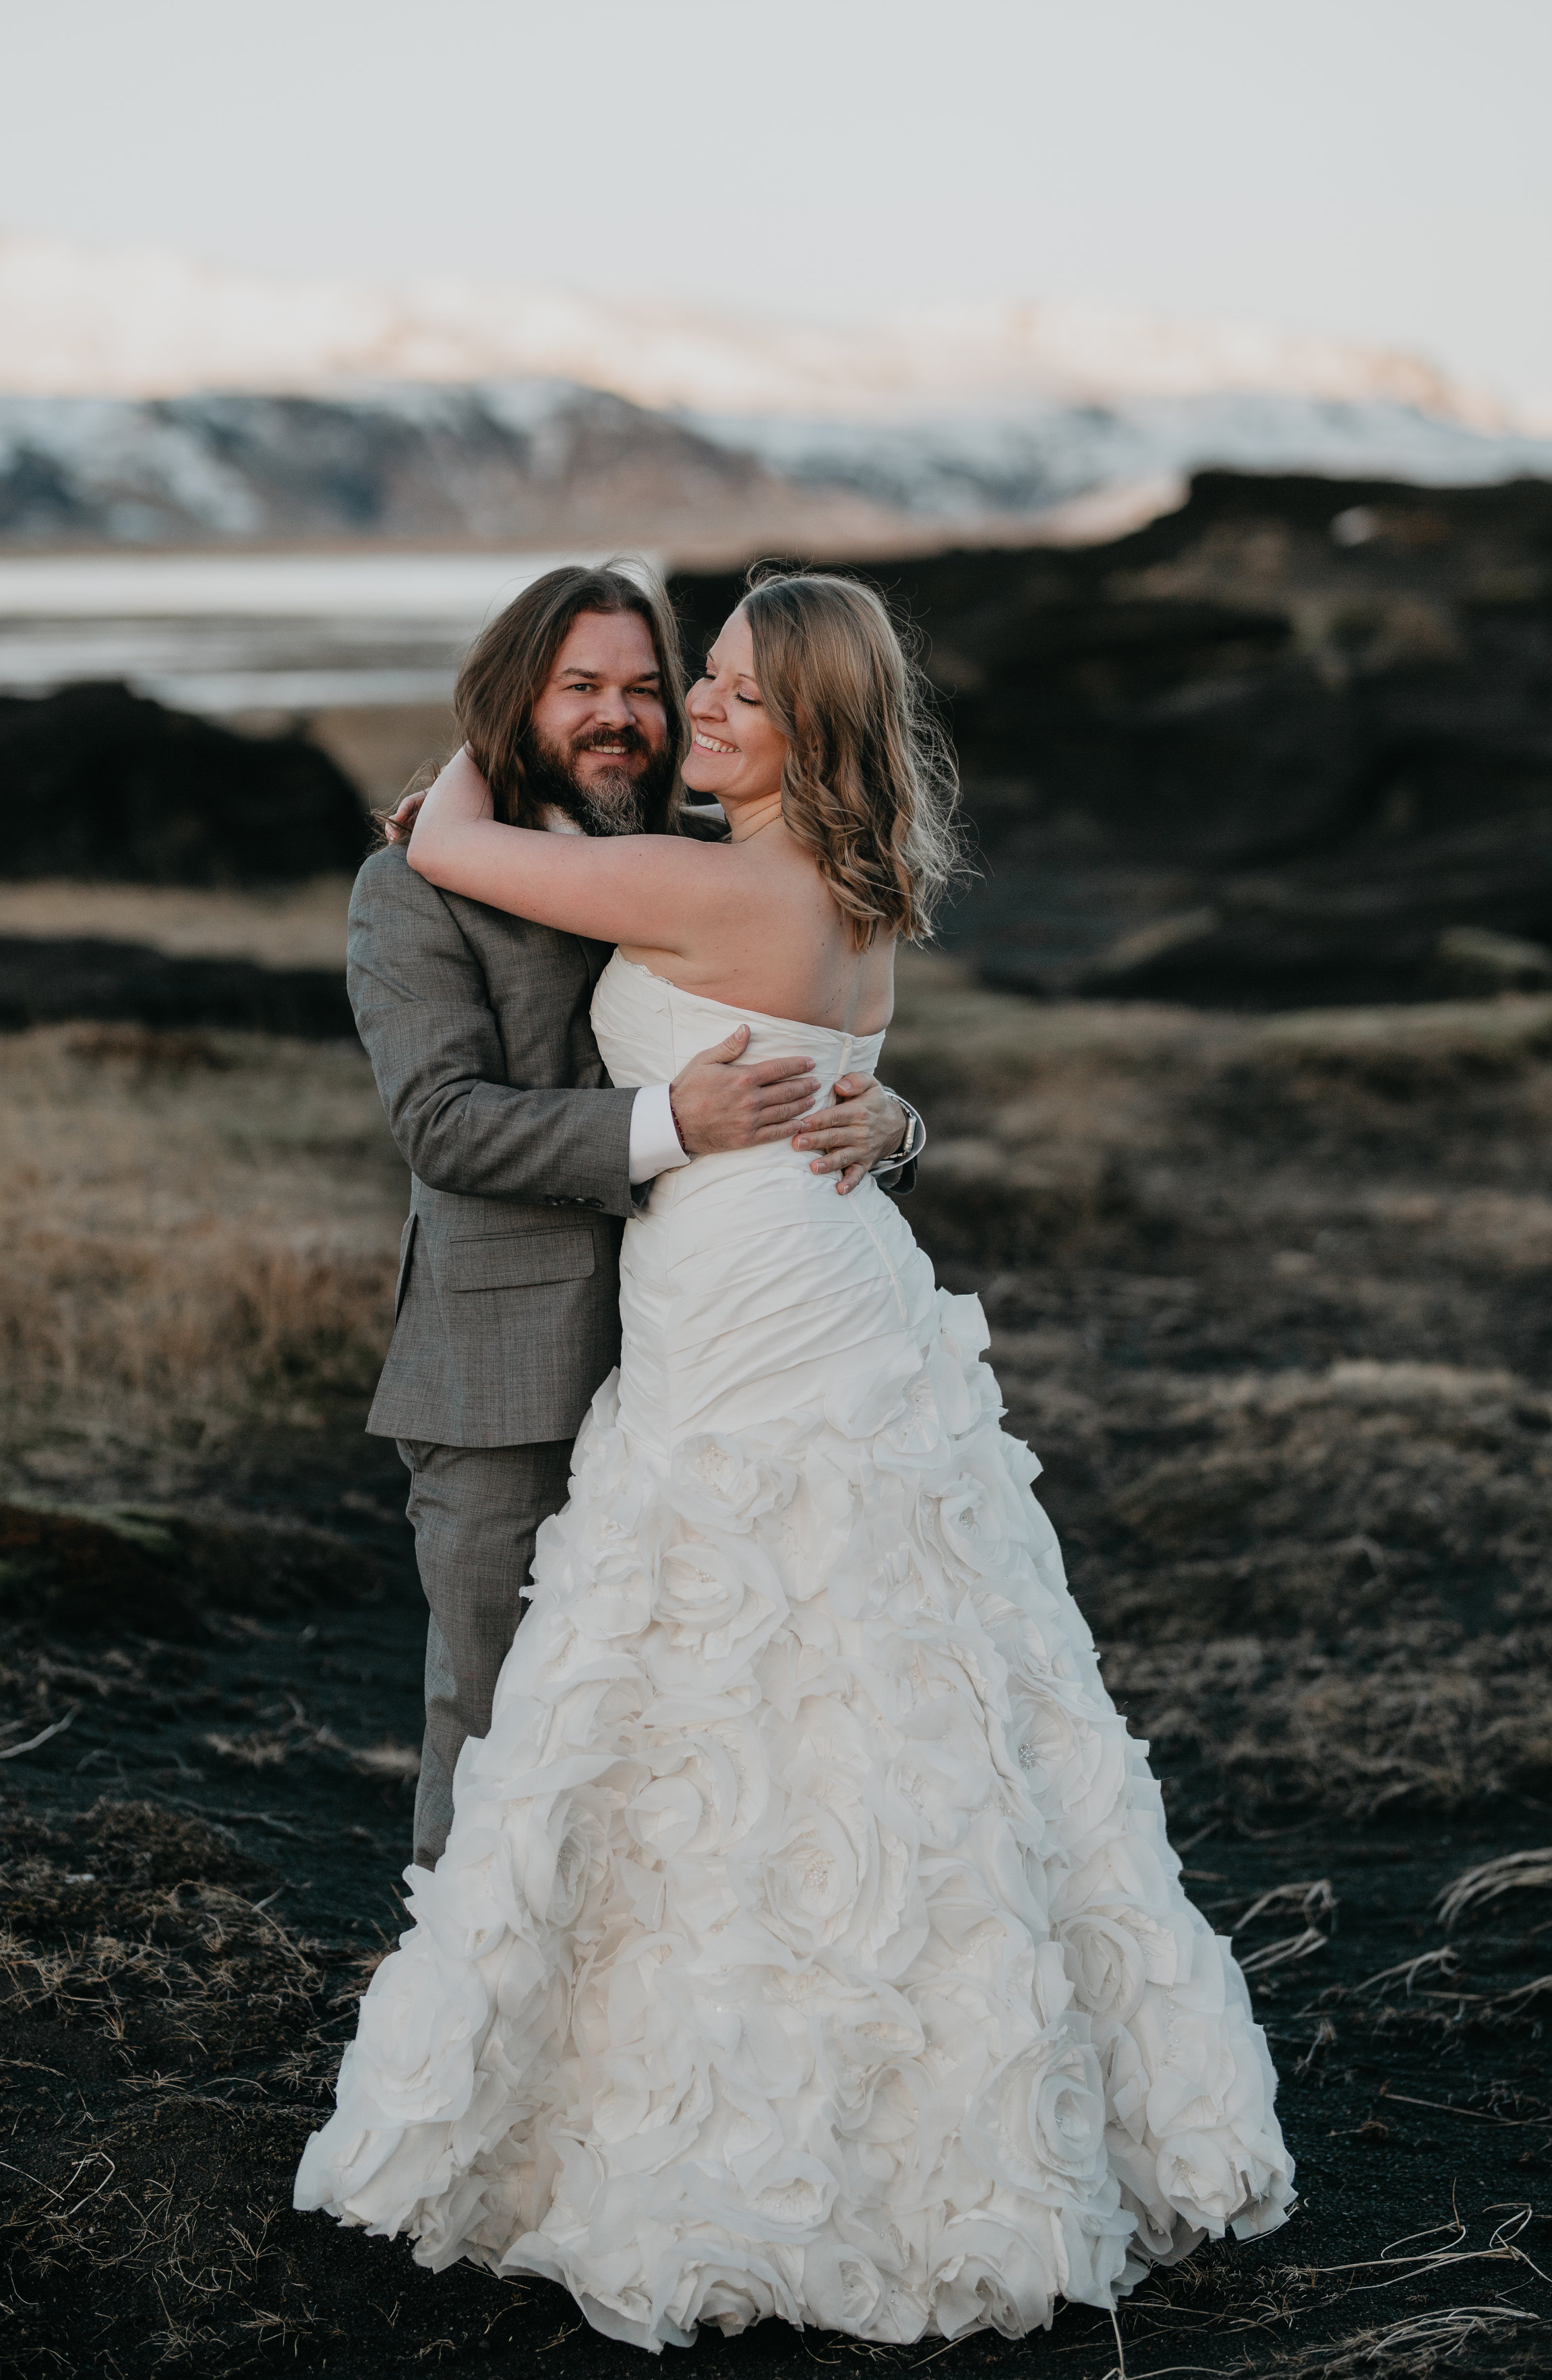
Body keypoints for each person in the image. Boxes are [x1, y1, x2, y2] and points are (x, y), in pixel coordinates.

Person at [299, 570, 1294, 2350]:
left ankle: (698, 2086)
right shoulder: (844, 884)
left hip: (747, 1313)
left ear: (814, 726)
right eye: (694, 684)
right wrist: (887, 1117)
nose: (689, 712)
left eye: (727, 693)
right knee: (875, 1681)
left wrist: (448, 785)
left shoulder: (697, 875)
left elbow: (463, 838)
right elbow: (764, 1060)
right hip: (810, 1296)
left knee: (714, 1677)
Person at [347, 563, 918, 1873]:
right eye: (579, 688)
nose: (622, 716)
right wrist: (673, 1125)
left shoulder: (697, 862)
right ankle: (463, 2029)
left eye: (648, 689)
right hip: (512, 1378)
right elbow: (441, 1124)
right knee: (500, 1724)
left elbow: (796, 1052)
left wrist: (893, 1121)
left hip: (703, 1362)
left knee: (687, 1720)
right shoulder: (412, 887)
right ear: (517, 699)